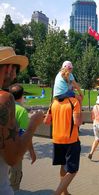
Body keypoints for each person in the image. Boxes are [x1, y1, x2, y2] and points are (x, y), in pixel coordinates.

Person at [0, 46, 44, 195]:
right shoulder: (4, 100)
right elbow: (13, 157)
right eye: (15, 70)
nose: (14, 75)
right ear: (8, 68)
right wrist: (34, 124)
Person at [51, 95, 82, 195]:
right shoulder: (74, 101)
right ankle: (57, 193)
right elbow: (77, 122)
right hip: (71, 140)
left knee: (63, 165)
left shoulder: (54, 102)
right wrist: (80, 103)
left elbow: (46, 121)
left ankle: (65, 191)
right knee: (73, 170)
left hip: (57, 139)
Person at [8, 83, 37, 191]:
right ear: (22, 96)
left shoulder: (3, 108)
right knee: (13, 182)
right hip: (15, 153)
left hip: (3, 150)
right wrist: (32, 152)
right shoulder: (21, 111)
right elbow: (25, 135)